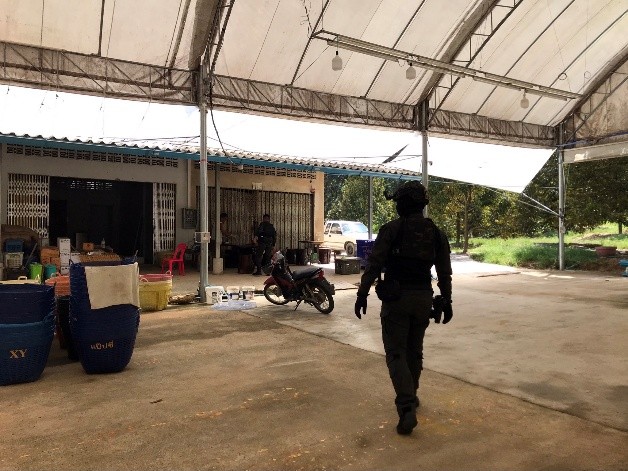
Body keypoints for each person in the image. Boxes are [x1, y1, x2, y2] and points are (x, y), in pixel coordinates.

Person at [354, 180, 453, 435]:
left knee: (396, 352)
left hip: (397, 300)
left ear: (404, 203)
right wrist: (447, 300)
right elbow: (444, 272)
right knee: (414, 350)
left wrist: (362, 294)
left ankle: (406, 406)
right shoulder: (436, 232)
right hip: (423, 299)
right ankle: (412, 394)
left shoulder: (392, 229)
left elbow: (374, 264)